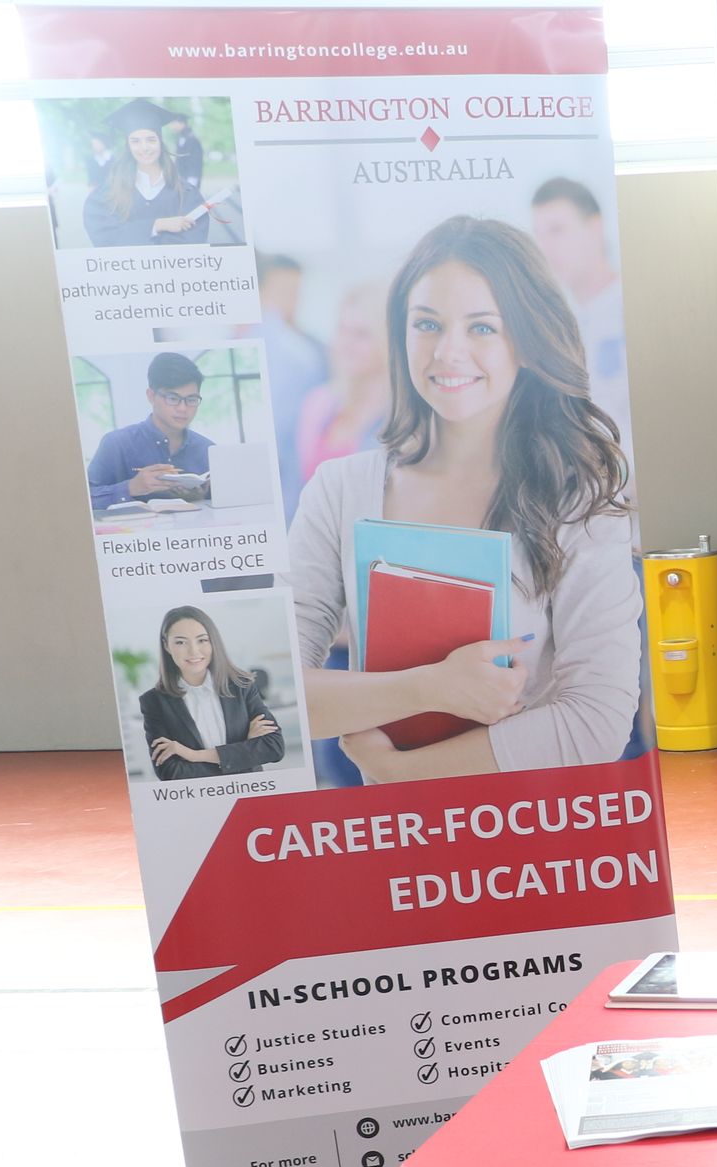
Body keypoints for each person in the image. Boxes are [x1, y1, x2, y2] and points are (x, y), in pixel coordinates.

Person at [286, 214, 639, 783]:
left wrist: (401, 776)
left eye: (481, 328)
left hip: (529, 828)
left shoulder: (577, 500)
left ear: (526, 340)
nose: (448, 352)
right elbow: (276, 697)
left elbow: (595, 722)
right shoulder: (340, 489)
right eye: (427, 324)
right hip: (388, 831)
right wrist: (430, 687)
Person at [528, 177, 634, 448]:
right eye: (539, 234)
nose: (545, 247)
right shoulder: (556, 325)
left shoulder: (634, 308)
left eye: (557, 230)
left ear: (595, 227)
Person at [138, 606, 284, 780]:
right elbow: (171, 773)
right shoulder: (153, 701)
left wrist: (193, 756)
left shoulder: (241, 685)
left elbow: (274, 747)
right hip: (198, 795)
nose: (193, 651)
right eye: (180, 642)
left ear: (213, 642)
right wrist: (244, 749)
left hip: (251, 788)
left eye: (202, 640)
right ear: (166, 645)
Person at [293, 281, 389, 496]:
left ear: (388, 340)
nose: (346, 343)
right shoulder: (318, 402)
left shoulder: (404, 418)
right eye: (342, 330)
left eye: (362, 334)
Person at [87, 351, 212, 515]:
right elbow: (82, 499)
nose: (183, 408)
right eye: (173, 398)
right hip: (134, 532)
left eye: (191, 400)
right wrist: (131, 487)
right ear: (151, 396)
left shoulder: (207, 449)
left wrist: (200, 497)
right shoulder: (116, 444)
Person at [249, 254, 328, 508]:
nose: (292, 302)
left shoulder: (313, 352)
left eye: (296, 293)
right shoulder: (246, 344)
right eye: (283, 292)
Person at [82, 98, 210, 247]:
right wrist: (157, 225)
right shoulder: (108, 193)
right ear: (128, 146)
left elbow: (193, 240)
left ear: (160, 142)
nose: (144, 148)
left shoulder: (187, 193)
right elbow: (106, 237)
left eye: (151, 140)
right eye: (135, 141)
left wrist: (136, 234)